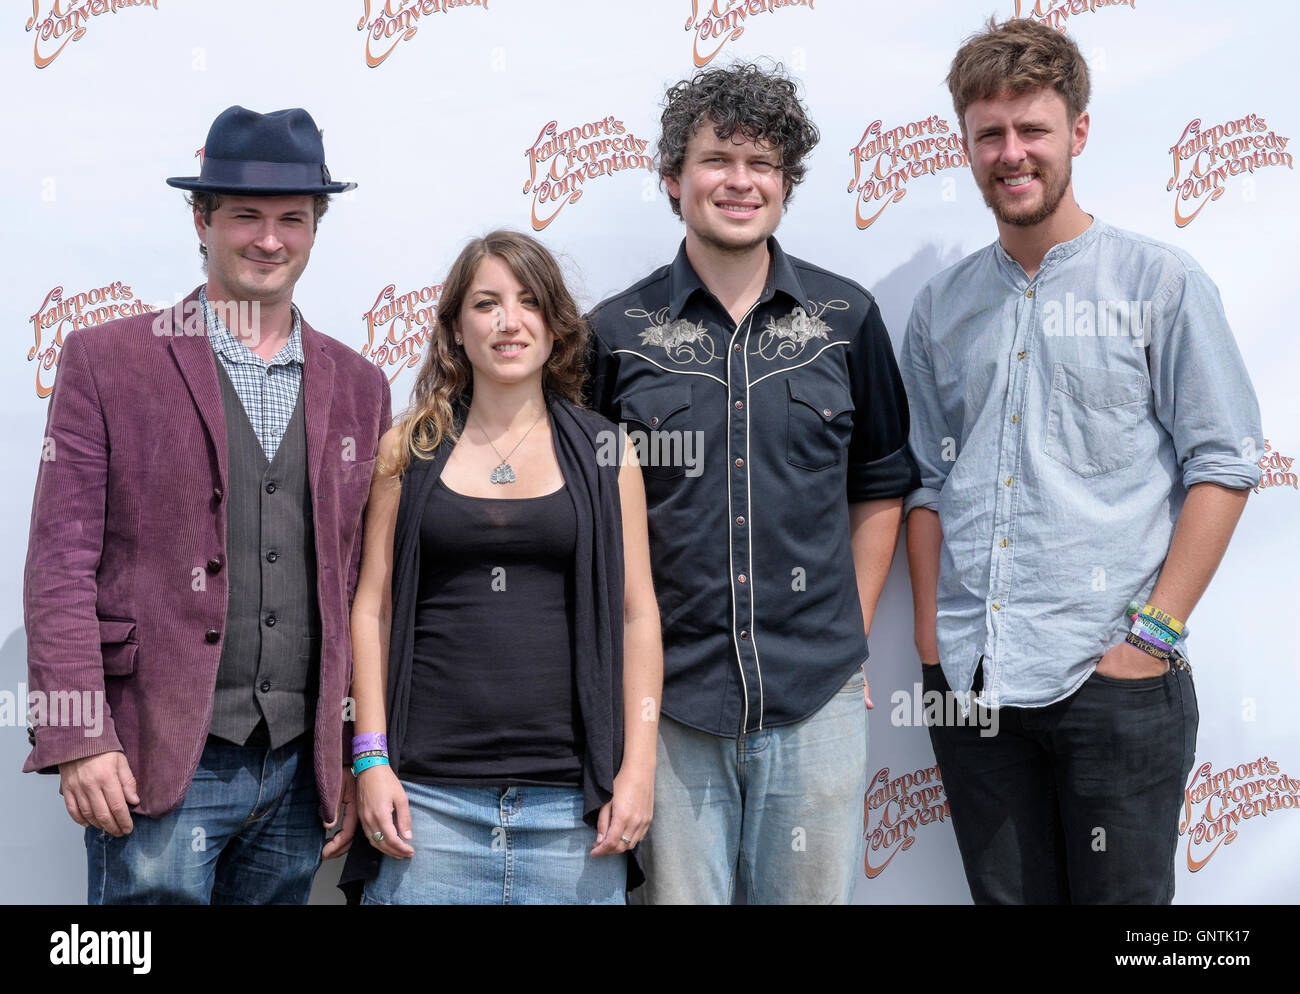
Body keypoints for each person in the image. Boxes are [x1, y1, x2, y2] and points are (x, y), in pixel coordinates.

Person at [900, 18, 1262, 904]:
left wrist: (1153, 636)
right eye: (991, 133)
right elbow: (923, 479)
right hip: (975, 683)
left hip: (1114, 681)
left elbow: (1225, 462)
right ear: (967, 143)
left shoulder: (1158, 284)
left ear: (1079, 133)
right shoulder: (939, 309)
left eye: (1033, 130)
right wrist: (928, 643)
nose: (1012, 153)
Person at [21, 106, 390, 903]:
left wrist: (356, 753)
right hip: (156, 757)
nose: (269, 239)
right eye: (245, 216)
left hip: (299, 773)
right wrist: (78, 736)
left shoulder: (361, 386)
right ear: (201, 219)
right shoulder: (105, 360)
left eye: (292, 218)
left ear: (316, 227)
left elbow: (361, 584)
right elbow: (59, 563)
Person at [587, 63, 919, 904]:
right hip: (667, 710)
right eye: (716, 160)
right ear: (673, 178)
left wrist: (852, 632)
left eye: (762, 164)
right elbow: (586, 514)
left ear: (785, 183)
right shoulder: (615, 337)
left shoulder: (847, 322)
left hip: (818, 699)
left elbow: (881, 484)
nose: (740, 182)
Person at [340, 230, 662, 905]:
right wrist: (369, 760)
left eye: (529, 302)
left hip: (571, 811)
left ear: (555, 324)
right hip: (424, 807)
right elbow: (371, 609)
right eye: (486, 304)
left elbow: (637, 614)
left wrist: (637, 769)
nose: (509, 322)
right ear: (457, 328)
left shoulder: (607, 451)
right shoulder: (408, 448)